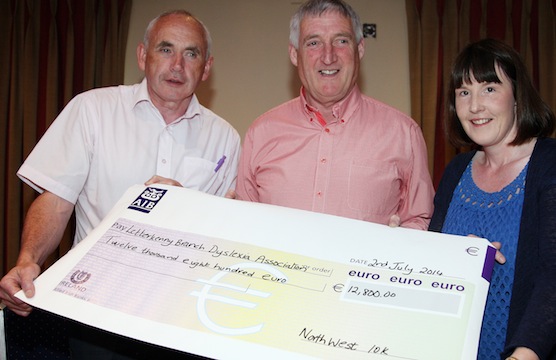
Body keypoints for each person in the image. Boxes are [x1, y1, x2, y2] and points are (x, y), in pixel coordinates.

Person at [0, 9, 240, 359]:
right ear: (143, 55)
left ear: (206, 67)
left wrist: (187, 209)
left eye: (191, 53)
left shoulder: (226, 139)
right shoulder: (92, 110)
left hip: (178, 320)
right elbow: (56, 201)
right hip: (94, 310)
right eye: (165, 49)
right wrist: (27, 259)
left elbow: (220, 235)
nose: (177, 65)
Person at [235, 0, 434, 229]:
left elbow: (419, 220)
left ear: (359, 49)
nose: (328, 56)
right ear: (294, 54)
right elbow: (243, 229)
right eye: (313, 43)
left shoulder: (404, 134)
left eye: (341, 41)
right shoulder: (260, 134)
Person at [429, 39, 556, 360]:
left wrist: (523, 354)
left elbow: (553, 275)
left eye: (489, 88)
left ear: (517, 97)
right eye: (463, 92)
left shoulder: (550, 164)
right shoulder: (455, 171)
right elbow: (435, 269)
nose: (474, 106)